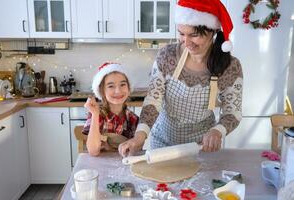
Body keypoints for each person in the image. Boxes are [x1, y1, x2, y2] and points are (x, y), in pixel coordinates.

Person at [119, 0, 243, 157]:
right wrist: (139, 137)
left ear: (212, 31)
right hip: (162, 142)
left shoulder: (230, 66)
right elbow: (153, 100)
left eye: (194, 35)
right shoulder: (167, 56)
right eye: (181, 34)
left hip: (200, 147)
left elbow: (233, 112)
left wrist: (217, 132)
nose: (187, 42)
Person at [83, 62, 139, 156]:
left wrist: (110, 147)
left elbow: (134, 151)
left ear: (129, 88)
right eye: (111, 86)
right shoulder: (97, 115)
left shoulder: (133, 119)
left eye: (122, 85)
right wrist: (95, 114)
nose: (118, 91)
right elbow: (93, 151)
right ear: (102, 91)